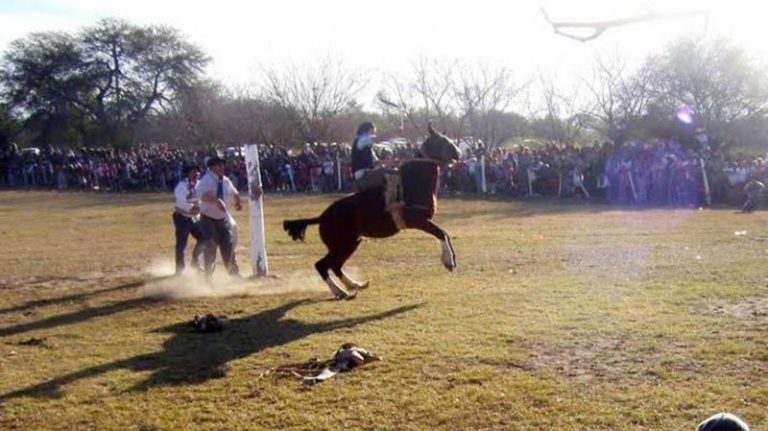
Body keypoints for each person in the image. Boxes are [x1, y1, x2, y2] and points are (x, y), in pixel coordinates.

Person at [197, 156, 242, 279]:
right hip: (208, 218)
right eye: (218, 165)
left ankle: (234, 275)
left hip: (223, 219)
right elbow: (201, 195)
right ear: (211, 168)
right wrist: (216, 201)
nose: (221, 167)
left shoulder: (226, 180)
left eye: (222, 165)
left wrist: (237, 200)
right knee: (210, 246)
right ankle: (208, 276)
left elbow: (233, 192)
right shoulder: (206, 180)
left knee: (228, 246)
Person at [172, 164, 204, 274]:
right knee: (181, 244)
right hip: (182, 217)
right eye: (193, 172)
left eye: (197, 172)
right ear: (188, 173)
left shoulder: (200, 185)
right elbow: (181, 201)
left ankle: (195, 262)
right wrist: (193, 208)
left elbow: (203, 199)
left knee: (204, 238)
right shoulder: (182, 186)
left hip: (195, 218)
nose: (196, 174)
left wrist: (200, 208)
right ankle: (180, 270)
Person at [350, 121, 385, 191]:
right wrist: (394, 132)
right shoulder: (361, 139)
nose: (374, 133)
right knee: (388, 176)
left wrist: (388, 162)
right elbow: (377, 139)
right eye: (372, 131)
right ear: (366, 130)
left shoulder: (368, 147)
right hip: (362, 172)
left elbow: (375, 161)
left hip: (368, 171)